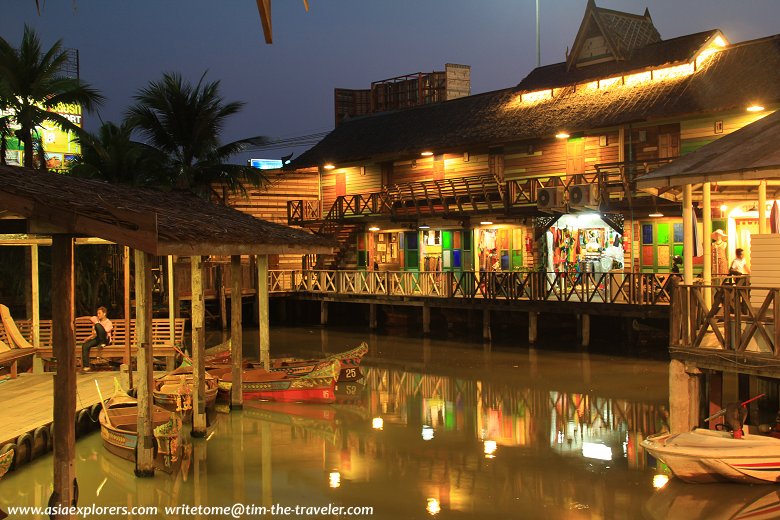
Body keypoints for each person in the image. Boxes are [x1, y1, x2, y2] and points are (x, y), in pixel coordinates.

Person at [81, 306, 113, 372]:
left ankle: (102, 344)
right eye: (97, 314)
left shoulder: (108, 322)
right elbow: (88, 318)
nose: (98, 315)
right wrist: (76, 319)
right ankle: (86, 366)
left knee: (98, 326)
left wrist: (97, 323)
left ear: (104, 314)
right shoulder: (96, 320)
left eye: (99, 313)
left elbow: (104, 332)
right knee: (85, 345)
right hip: (98, 339)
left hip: (105, 339)